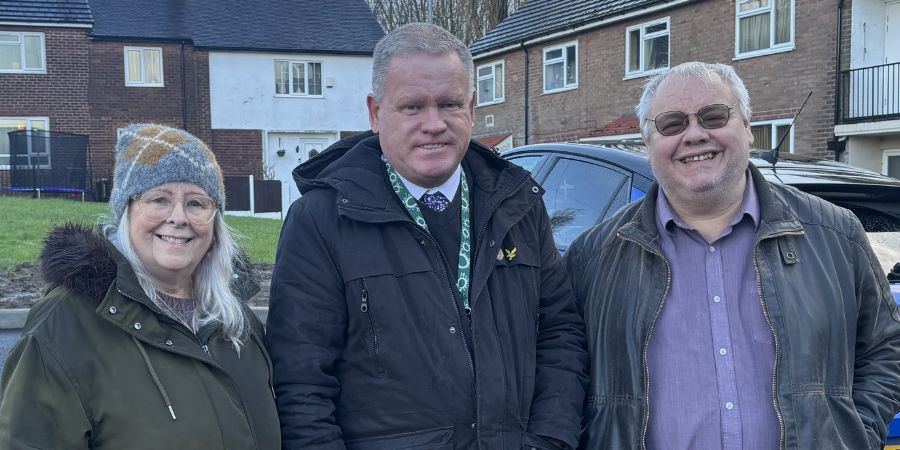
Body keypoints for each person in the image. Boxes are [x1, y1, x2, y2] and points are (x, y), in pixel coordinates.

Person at [266, 23, 588, 450]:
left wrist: (549, 441)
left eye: (449, 104)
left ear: (471, 108)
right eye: (412, 107)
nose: (433, 124)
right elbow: (301, 383)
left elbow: (560, 335)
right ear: (376, 113)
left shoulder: (519, 207)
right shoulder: (321, 221)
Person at [565, 61, 900, 449]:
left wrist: (853, 434)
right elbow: (563, 375)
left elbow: (886, 349)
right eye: (672, 124)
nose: (695, 135)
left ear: (747, 125)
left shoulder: (836, 235)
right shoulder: (593, 258)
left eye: (713, 116)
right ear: (648, 141)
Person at [0, 124, 280, 449]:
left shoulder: (235, 321)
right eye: (158, 199)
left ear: (215, 221)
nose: (179, 218)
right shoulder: (63, 327)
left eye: (197, 203)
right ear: (126, 211)